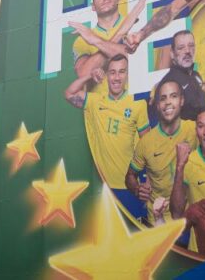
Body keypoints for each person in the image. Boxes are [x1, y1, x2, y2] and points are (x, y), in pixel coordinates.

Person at [64, 55, 150, 218]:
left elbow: (149, 146)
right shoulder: (96, 102)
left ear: (127, 75)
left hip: (130, 187)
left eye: (121, 72)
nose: (117, 77)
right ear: (107, 75)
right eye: (112, 72)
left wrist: (148, 182)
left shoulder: (137, 103)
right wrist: (90, 75)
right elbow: (69, 93)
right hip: (105, 189)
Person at [127, 78, 197, 222]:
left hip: (190, 217)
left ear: (182, 100)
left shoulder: (195, 129)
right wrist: (136, 188)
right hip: (160, 221)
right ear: (158, 105)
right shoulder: (146, 142)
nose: (168, 102)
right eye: (163, 98)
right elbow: (129, 176)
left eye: (173, 96)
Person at [152, 30, 205, 138]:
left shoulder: (196, 76)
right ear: (172, 54)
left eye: (191, 46)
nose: (187, 51)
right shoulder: (168, 84)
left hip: (204, 142)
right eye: (181, 48)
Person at [68, 0, 132, 81]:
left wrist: (95, 40)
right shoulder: (82, 40)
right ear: (93, 6)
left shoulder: (134, 23)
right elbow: (83, 74)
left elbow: (136, 58)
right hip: (100, 98)